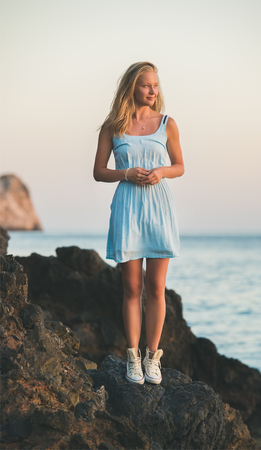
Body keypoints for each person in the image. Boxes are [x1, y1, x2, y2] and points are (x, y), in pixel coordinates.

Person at [93, 62, 184, 385]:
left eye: (155, 86)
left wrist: (161, 171)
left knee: (156, 288)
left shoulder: (167, 123)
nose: (152, 91)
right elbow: (99, 172)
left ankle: (152, 358)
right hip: (128, 206)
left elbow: (180, 166)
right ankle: (132, 357)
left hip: (159, 207)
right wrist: (127, 173)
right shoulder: (113, 126)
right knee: (131, 288)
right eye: (146, 85)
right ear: (132, 87)